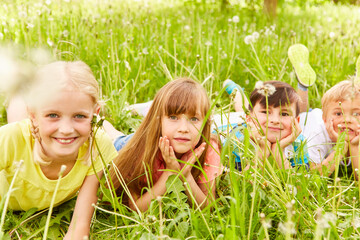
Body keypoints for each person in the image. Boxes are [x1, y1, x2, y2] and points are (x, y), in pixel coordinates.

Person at [0, 61, 118, 239]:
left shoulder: (98, 146)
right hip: (7, 198)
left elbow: (79, 228)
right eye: (53, 115)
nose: (66, 129)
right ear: (33, 115)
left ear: (94, 114)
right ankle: (18, 92)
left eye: (79, 116)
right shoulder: (11, 138)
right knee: (18, 124)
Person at [107, 78, 221, 212]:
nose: (183, 128)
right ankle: (103, 121)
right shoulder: (139, 149)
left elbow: (209, 207)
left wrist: (186, 176)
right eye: (173, 117)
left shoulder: (207, 149)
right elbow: (136, 209)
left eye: (194, 119)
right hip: (127, 143)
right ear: (158, 120)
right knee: (114, 137)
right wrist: (171, 172)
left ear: (205, 123)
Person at [219, 80, 309, 171]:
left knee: (245, 110)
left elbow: (299, 183)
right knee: (242, 110)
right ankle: (235, 90)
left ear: (296, 121)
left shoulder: (298, 142)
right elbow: (239, 182)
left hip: (255, 120)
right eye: (265, 112)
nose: (275, 120)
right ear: (249, 118)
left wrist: (278, 152)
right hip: (229, 124)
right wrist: (262, 151)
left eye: (284, 114)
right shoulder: (237, 141)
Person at [299, 79, 360, 178]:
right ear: (325, 119)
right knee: (299, 112)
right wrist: (340, 148)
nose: (347, 120)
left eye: (356, 114)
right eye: (339, 114)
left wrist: (354, 146)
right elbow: (313, 177)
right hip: (305, 121)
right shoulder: (317, 134)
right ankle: (302, 86)